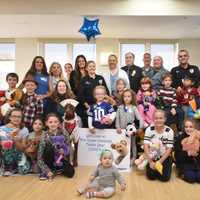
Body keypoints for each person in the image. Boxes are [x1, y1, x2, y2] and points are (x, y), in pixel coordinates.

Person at [37, 113, 75, 180]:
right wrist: (47, 170)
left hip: (60, 158)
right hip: (48, 160)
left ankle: (58, 169)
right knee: (49, 148)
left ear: (59, 123)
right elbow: (39, 158)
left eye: (55, 122)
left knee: (71, 173)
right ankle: (50, 170)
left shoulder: (64, 132)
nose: (53, 124)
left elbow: (69, 148)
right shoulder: (44, 135)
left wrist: (65, 152)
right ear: (46, 123)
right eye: (50, 122)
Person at [144, 110, 174, 182]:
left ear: (165, 119)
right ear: (153, 119)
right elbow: (145, 146)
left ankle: (169, 165)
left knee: (164, 178)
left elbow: (169, 149)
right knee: (151, 177)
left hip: (164, 156)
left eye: (161, 118)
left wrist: (159, 162)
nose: (158, 120)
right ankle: (151, 167)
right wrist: (150, 161)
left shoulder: (169, 131)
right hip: (152, 156)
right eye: (156, 118)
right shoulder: (149, 130)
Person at [115, 89, 144, 161]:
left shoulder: (134, 108)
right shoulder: (119, 108)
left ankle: (133, 158)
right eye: (125, 96)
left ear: (132, 98)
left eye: (129, 96)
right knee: (123, 144)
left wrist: (140, 127)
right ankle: (125, 158)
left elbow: (140, 118)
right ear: (122, 98)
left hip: (131, 131)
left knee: (133, 144)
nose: (126, 98)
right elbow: (117, 118)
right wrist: (118, 127)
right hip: (122, 131)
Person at [0, 108, 29, 176]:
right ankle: (7, 167)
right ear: (10, 117)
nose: (16, 118)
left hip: (19, 155)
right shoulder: (1, 129)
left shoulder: (24, 130)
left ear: (22, 118)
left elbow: (22, 149)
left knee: (23, 170)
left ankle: (15, 166)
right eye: (14, 116)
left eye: (19, 117)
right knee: (7, 143)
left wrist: (14, 138)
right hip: (5, 155)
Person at [174, 119, 200, 183]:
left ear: (195, 128)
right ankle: (181, 174)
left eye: (191, 127)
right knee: (191, 178)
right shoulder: (180, 138)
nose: (188, 129)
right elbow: (177, 155)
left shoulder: (198, 137)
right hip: (184, 163)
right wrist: (188, 153)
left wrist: (197, 153)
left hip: (197, 163)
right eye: (186, 127)